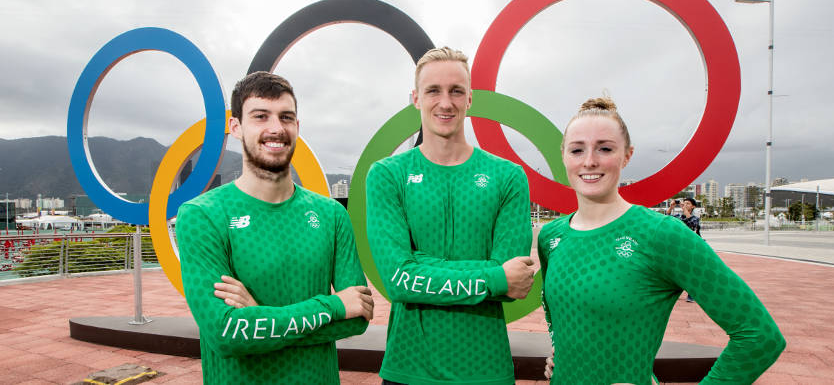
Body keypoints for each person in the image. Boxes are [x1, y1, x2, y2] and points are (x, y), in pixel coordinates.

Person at [539, 97, 785, 384]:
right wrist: (565, 356)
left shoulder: (661, 234)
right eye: (577, 149)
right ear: (564, 155)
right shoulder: (551, 235)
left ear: (627, 155)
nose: (589, 160)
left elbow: (760, 336)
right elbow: (565, 316)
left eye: (604, 148)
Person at [177, 72, 373, 384]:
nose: (276, 128)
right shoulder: (202, 215)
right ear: (236, 128)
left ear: (297, 126)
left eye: (286, 117)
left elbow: (359, 316)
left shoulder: (332, 214)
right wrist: (334, 306)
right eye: (260, 116)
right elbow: (225, 334)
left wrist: (258, 317)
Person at [366, 47, 536, 385]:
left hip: (486, 371)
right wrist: (493, 277)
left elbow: (515, 282)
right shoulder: (387, 174)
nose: (446, 102)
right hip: (407, 370)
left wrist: (421, 265)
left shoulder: (508, 177)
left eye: (456, 91)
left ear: (470, 98)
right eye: (433, 90)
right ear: (415, 98)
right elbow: (398, 281)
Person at [667, 197, 702, 302]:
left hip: (691, 249)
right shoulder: (678, 216)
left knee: (691, 272)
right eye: (684, 203)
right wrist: (671, 207)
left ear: (693, 206)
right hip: (678, 248)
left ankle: (692, 294)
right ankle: (673, 293)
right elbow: (666, 219)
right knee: (676, 271)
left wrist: (685, 210)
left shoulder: (695, 218)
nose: (685, 205)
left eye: (688, 203)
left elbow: (692, 223)